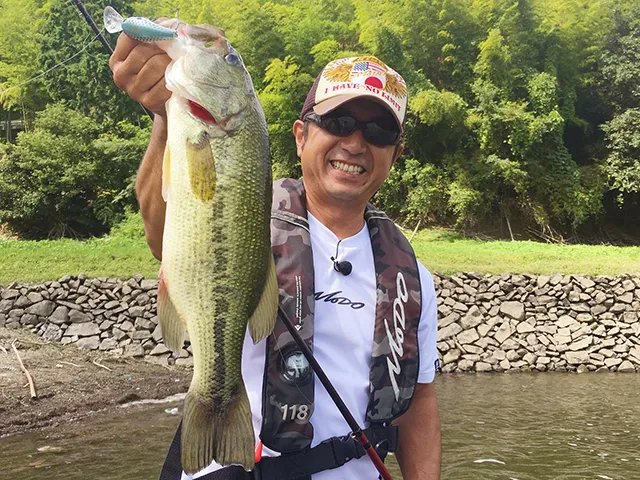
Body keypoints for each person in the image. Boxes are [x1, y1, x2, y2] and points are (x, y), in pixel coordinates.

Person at [110, 26, 441, 480]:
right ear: (302, 135)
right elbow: (163, 234)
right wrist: (168, 120)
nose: (356, 143)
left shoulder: (411, 277)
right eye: (339, 123)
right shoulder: (246, 216)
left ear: (395, 153)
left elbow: (418, 402)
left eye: (379, 131)